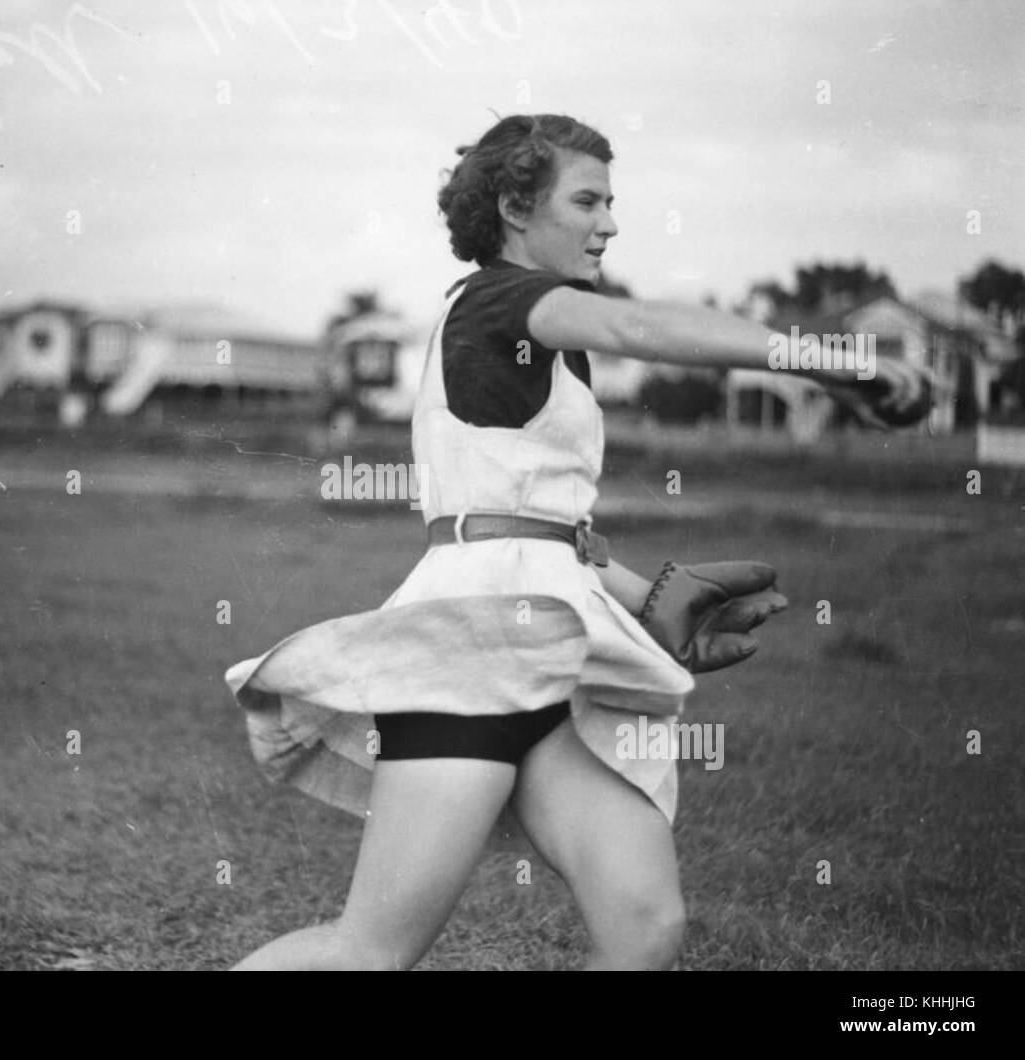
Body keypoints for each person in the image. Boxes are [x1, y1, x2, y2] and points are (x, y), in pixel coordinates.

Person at [223, 113, 930, 971]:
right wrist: (836, 361)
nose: (610, 222)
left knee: (644, 929)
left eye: (611, 201)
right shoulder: (499, 301)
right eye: (587, 200)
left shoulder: (544, 339)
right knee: (370, 952)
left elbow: (538, 518)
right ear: (518, 207)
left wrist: (647, 596)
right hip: (469, 656)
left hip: (552, 652)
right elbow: (638, 330)